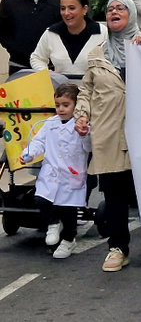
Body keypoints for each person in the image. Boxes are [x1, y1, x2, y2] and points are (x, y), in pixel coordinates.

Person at [74, 0, 141, 271]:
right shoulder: (97, 54)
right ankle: (118, 248)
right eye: (110, 8)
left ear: (132, 15)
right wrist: (82, 115)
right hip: (109, 132)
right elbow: (87, 90)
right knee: (113, 193)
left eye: (120, 8)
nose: (114, 12)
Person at [20, 82, 90, 259]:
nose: (60, 109)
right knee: (41, 198)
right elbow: (39, 141)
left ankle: (68, 240)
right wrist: (28, 153)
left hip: (71, 175)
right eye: (58, 105)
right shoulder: (50, 123)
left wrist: (84, 135)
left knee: (68, 210)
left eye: (66, 105)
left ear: (76, 106)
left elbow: (89, 147)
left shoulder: (81, 126)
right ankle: (52, 223)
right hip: (51, 173)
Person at [0, 0, 62, 75]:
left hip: (49, 67)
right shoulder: (10, 2)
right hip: (19, 66)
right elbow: (3, 31)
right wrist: (14, 48)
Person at [31, 0, 107, 77]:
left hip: (92, 89)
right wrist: (45, 73)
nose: (66, 13)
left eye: (72, 8)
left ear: (84, 9)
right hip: (60, 89)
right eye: (63, 8)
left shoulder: (101, 33)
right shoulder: (51, 33)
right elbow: (37, 58)